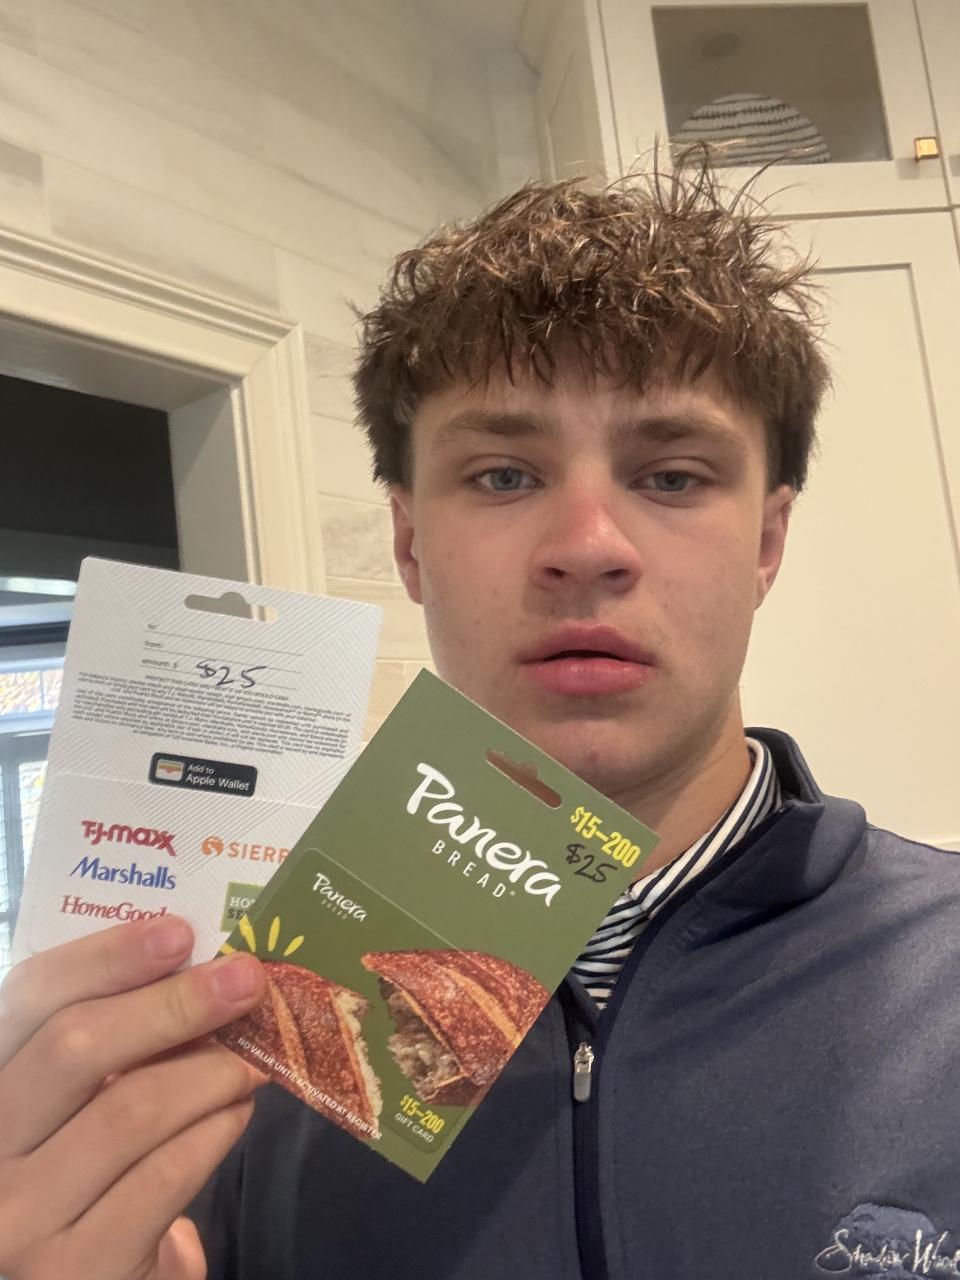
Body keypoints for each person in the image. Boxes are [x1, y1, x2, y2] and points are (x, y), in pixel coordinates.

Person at [2, 158, 958, 1280]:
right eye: (504, 475)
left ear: (767, 542)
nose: (587, 546)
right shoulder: (239, 1018)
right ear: (409, 542)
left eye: (672, 476)